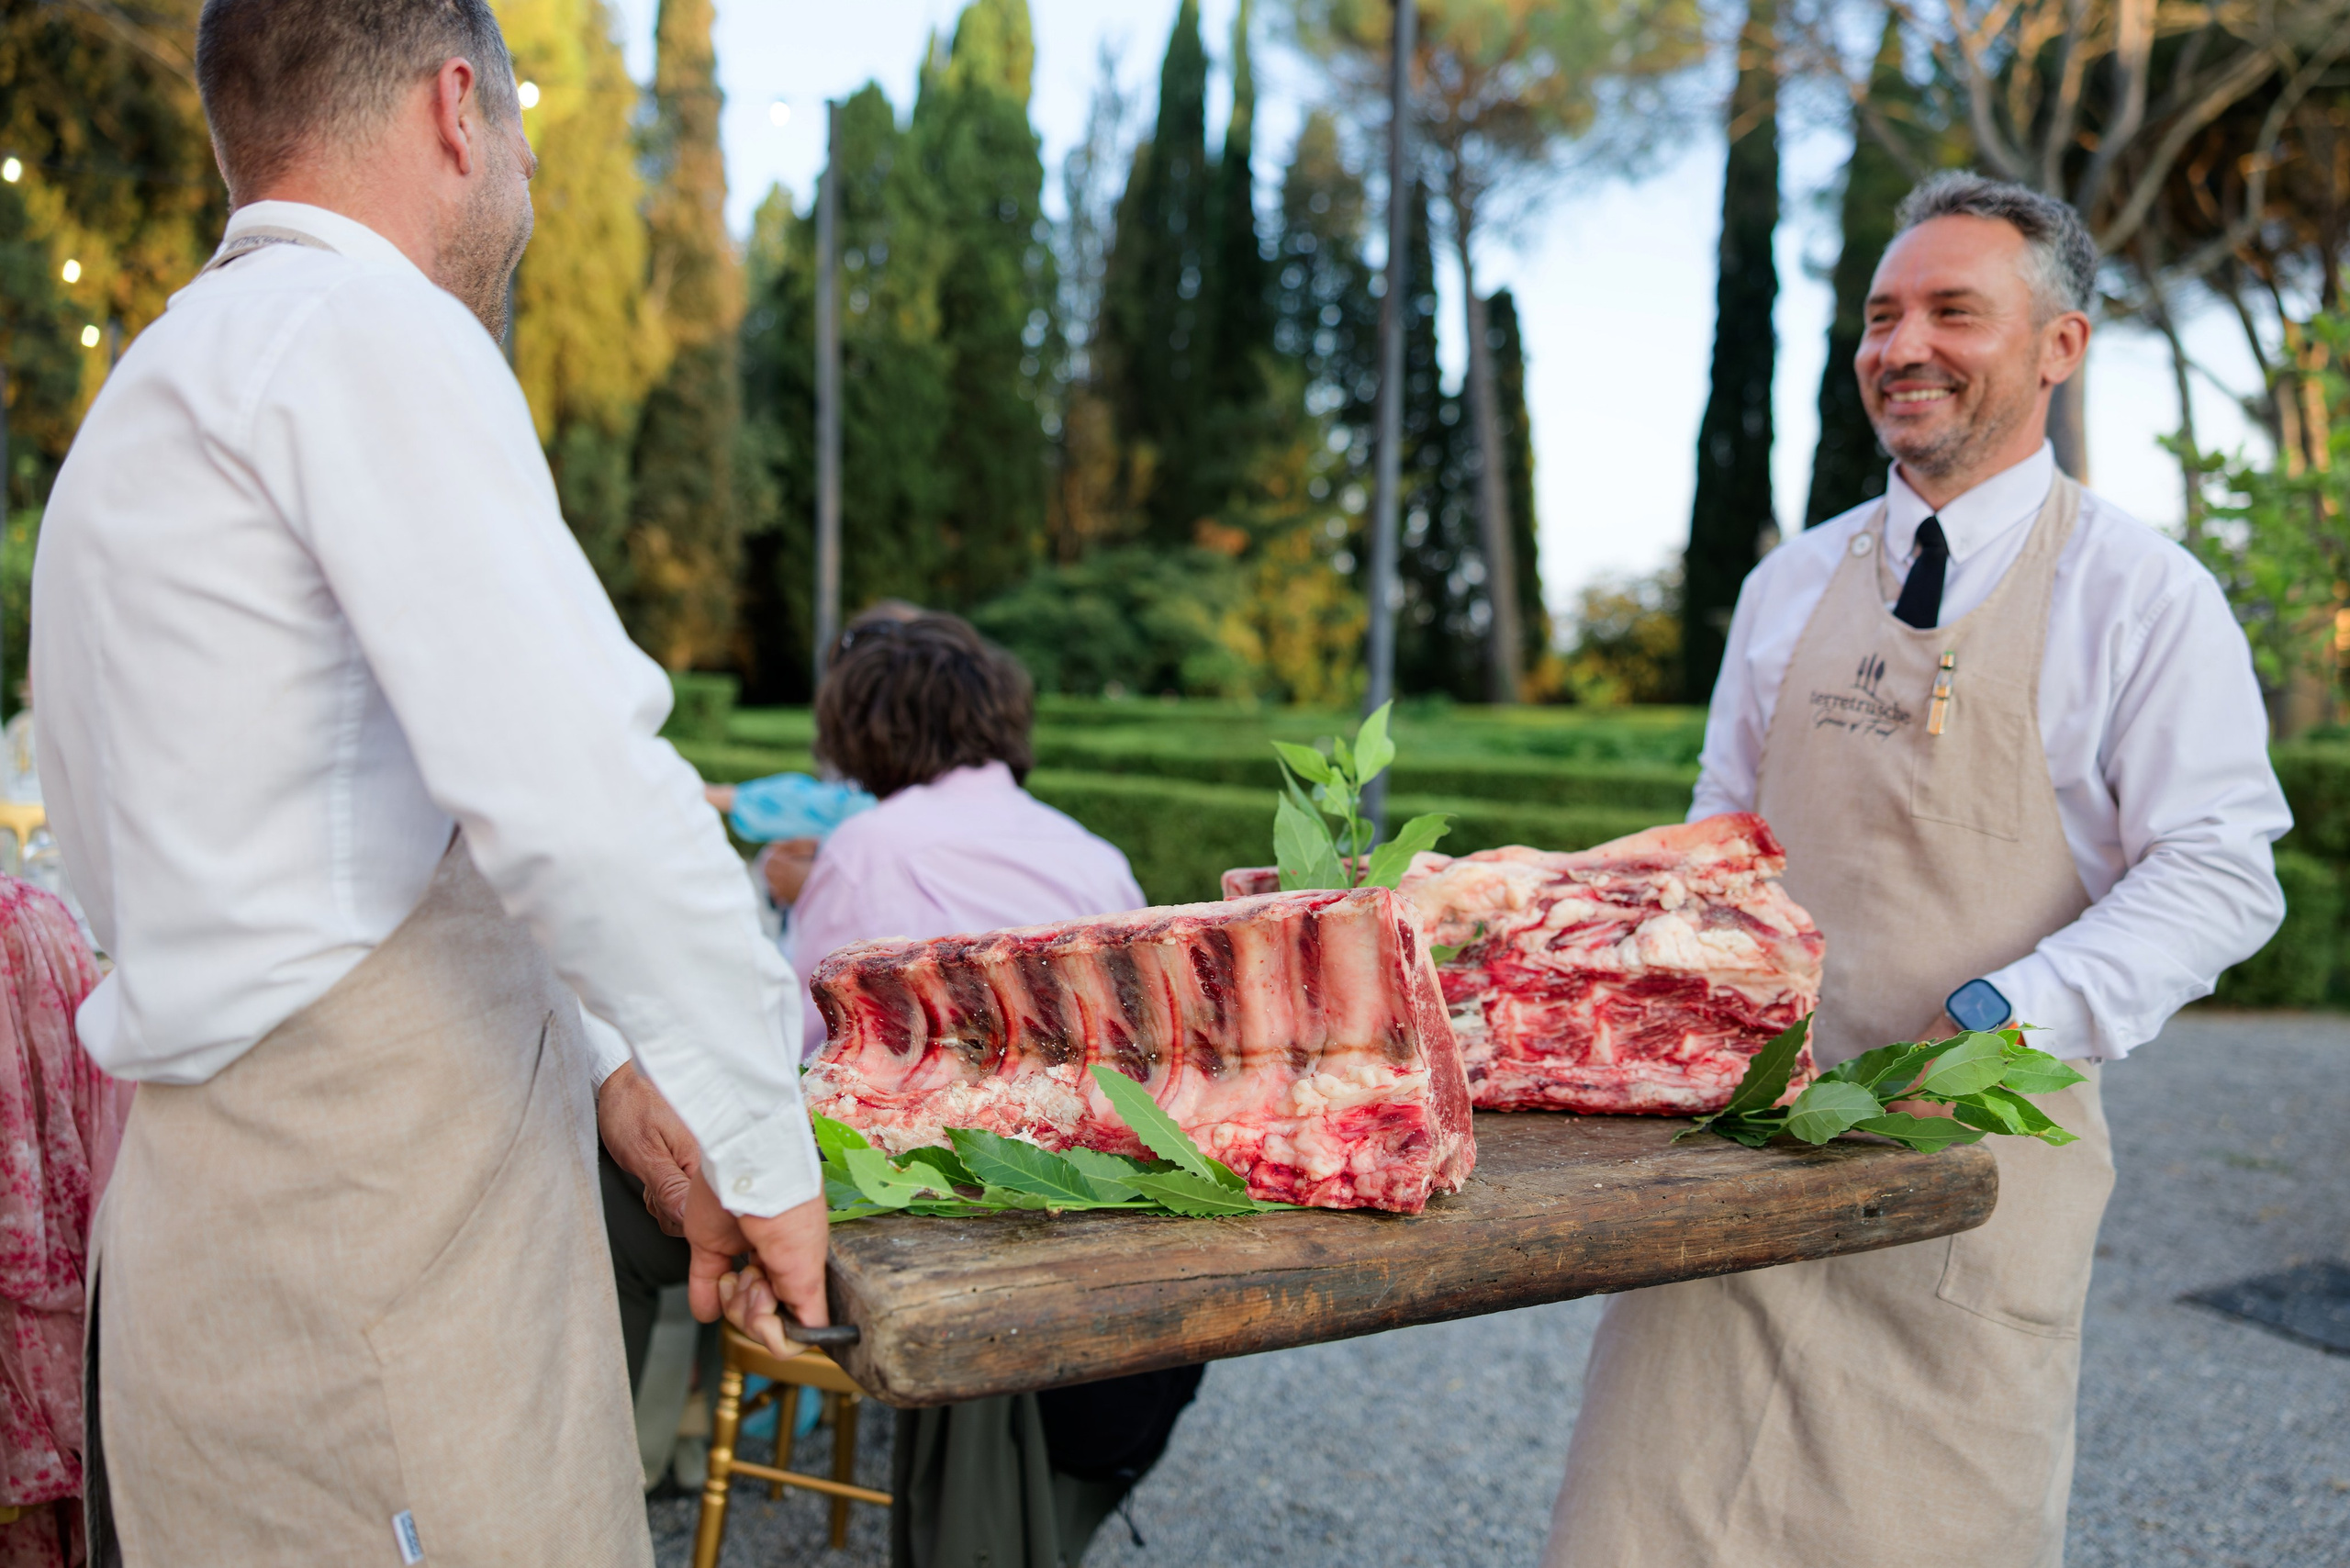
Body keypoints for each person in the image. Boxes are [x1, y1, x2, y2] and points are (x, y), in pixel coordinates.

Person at [33, 3, 828, 1562]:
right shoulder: (367, 332)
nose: (527, 173)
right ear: (459, 107)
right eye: (523, 132)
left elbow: (343, 839)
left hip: (216, 1253)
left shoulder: (147, 394)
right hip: (376, 1271)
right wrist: (763, 1141)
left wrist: (605, 1059)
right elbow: (581, 789)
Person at [1545, 172, 2290, 1567]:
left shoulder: (2143, 596)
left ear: (2060, 346)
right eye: (1883, 316)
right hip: (1738, 1172)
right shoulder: (1787, 585)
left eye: (1954, 311)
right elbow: (1719, 839)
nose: (1903, 347)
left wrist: (2009, 1015)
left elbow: (2220, 868)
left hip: (1971, 1180)